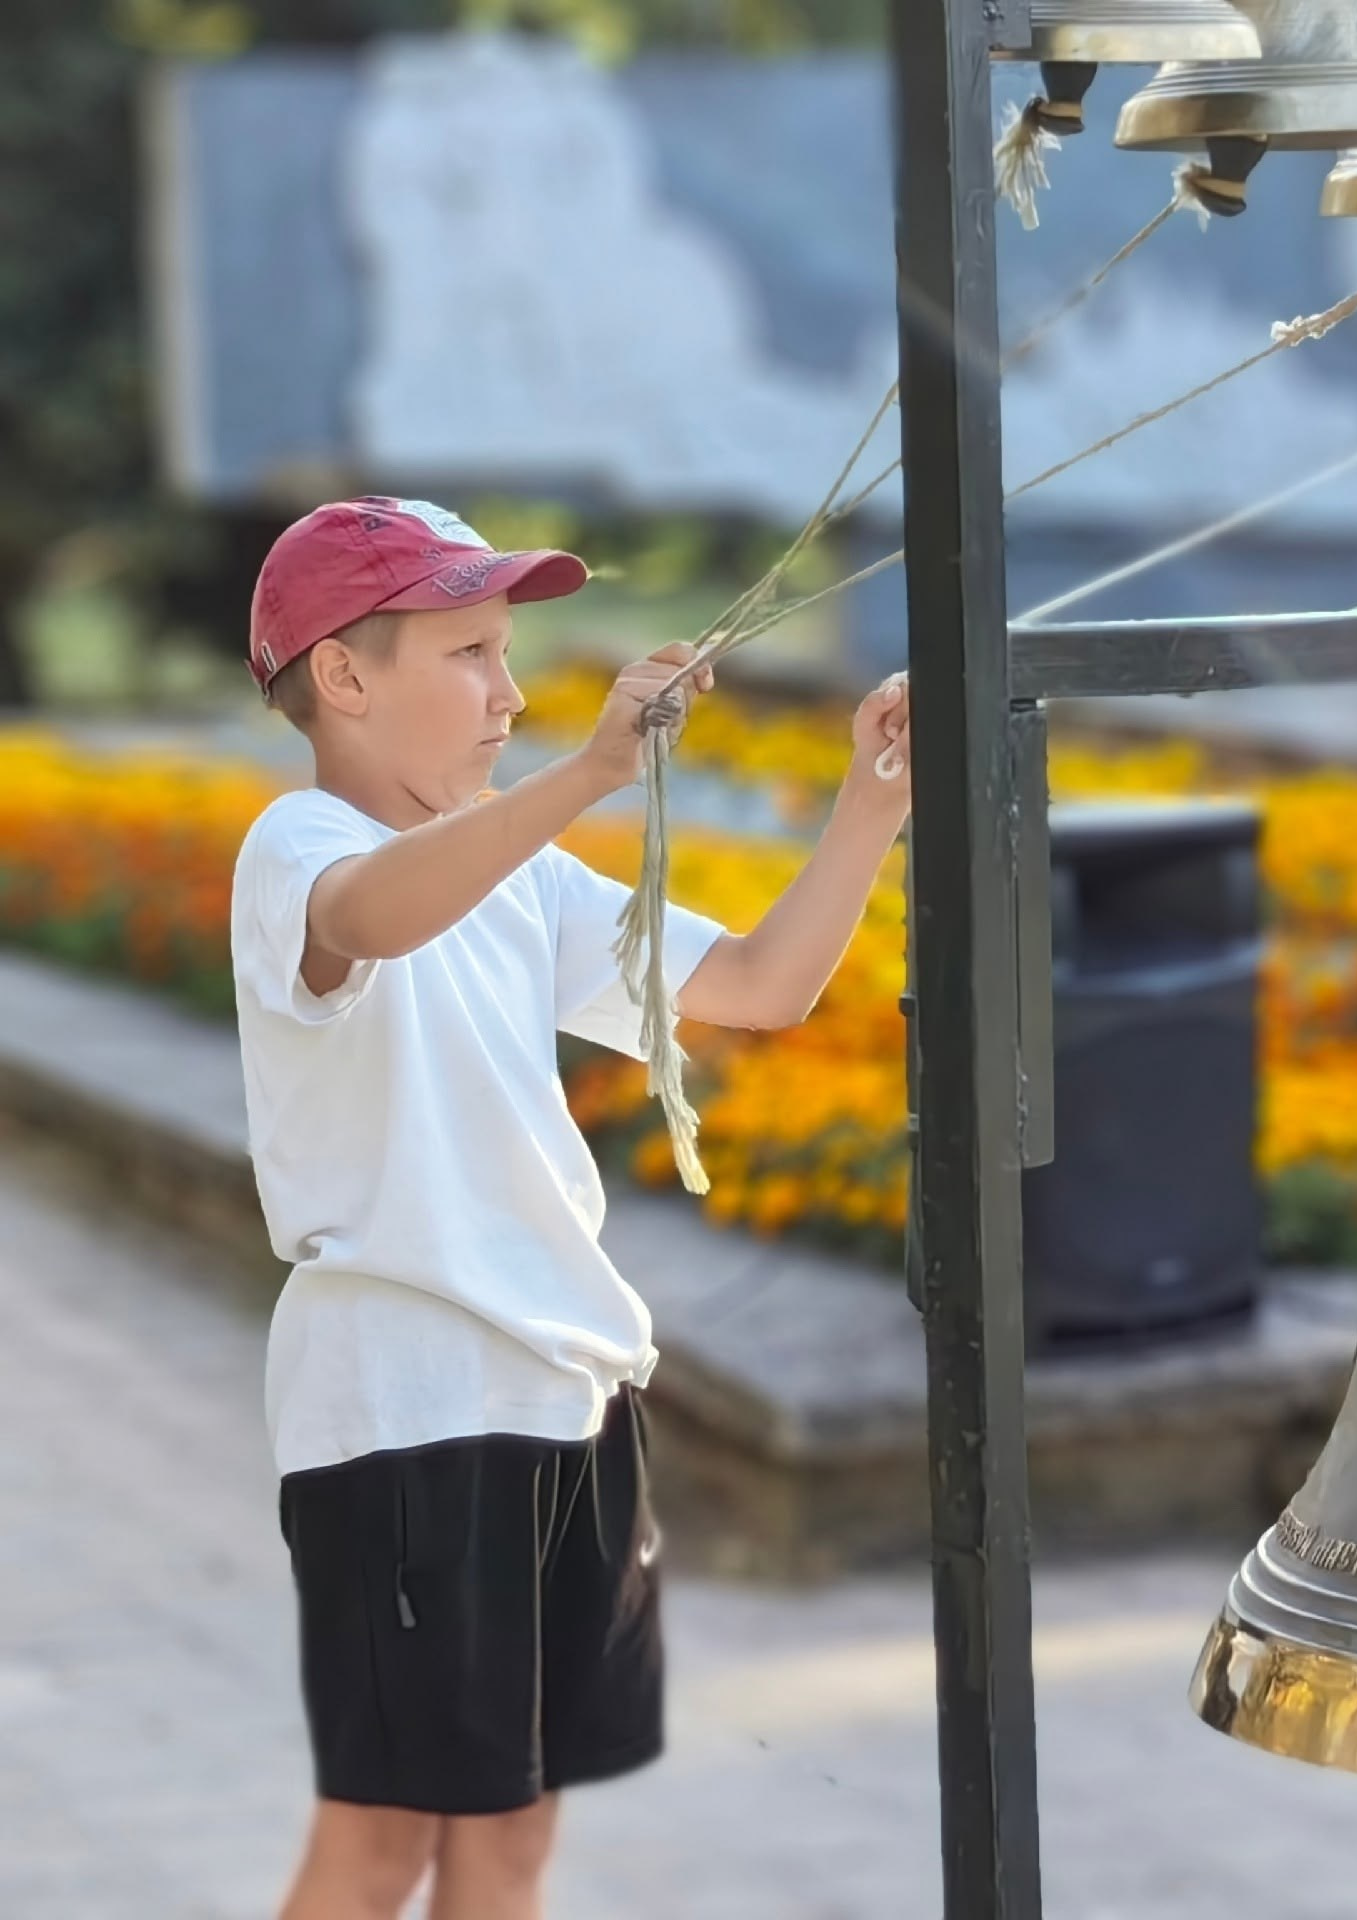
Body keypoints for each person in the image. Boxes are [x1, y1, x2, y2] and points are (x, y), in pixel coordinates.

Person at [230, 497, 910, 1920]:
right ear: (344, 677)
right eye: (471, 652)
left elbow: (763, 989)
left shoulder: (521, 879)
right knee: (379, 1846)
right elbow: (369, 918)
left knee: (515, 1834)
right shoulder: (295, 851)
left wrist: (874, 803)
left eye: (509, 651)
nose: (513, 692)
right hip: (406, 1416)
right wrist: (590, 770)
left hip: (573, 1401)